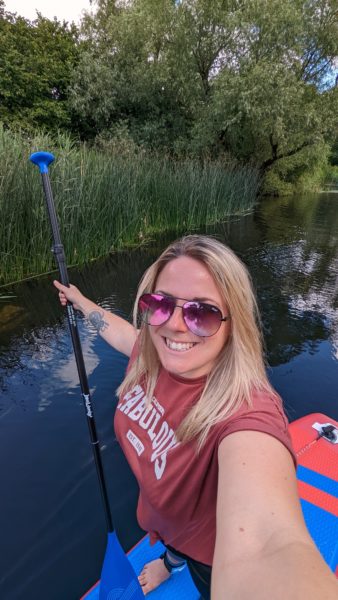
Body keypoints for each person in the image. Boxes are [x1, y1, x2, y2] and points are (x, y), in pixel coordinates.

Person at [54, 235, 337, 599]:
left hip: (209, 557)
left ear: (233, 324)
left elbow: (268, 545)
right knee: (178, 534)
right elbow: (126, 334)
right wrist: (81, 303)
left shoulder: (247, 413)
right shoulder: (151, 355)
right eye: (160, 304)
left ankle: (178, 562)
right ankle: (170, 560)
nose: (174, 325)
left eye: (201, 313)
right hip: (172, 525)